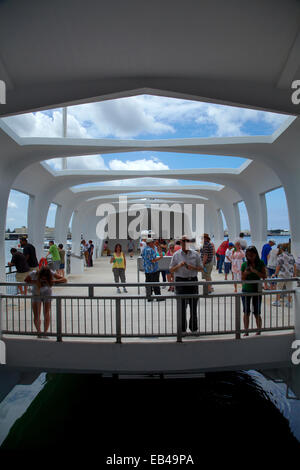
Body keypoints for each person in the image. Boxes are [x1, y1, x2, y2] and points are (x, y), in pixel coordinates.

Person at [169, 235, 203, 333]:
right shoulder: (176, 255)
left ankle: (194, 328)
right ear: (180, 242)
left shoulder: (195, 254)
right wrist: (179, 265)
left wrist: (193, 268)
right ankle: (182, 330)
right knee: (182, 308)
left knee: (193, 307)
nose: (185, 242)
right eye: (183, 241)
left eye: (187, 240)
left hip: (192, 281)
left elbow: (201, 268)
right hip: (180, 282)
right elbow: (171, 269)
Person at [25, 266, 67, 338]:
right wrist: (36, 282)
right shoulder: (34, 273)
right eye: (42, 277)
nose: (44, 278)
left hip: (47, 294)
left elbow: (64, 279)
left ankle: (45, 333)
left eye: (45, 277)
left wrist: (52, 282)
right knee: (36, 315)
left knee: (46, 313)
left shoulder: (51, 272)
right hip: (36, 294)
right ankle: (39, 332)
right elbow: (26, 280)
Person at [241, 246, 267, 337]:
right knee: (246, 312)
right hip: (246, 290)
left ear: (256, 254)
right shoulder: (244, 264)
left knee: (257, 312)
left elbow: (264, 276)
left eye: (251, 255)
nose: (249, 257)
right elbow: (242, 279)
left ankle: (259, 330)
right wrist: (246, 273)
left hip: (257, 290)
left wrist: (255, 271)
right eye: (248, 255)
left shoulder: (261, 263)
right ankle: (246, 331)